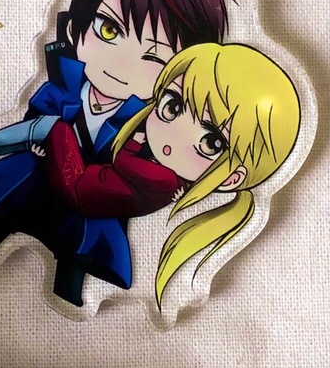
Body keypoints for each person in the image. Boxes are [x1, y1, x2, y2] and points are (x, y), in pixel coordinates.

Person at [0, 0, 231, 305]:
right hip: (40, 177)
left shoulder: (151, 124)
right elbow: (41, 108)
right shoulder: (66, 85)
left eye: (154, 58)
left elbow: (148, 167)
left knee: (79, 250)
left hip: (93, 199)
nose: (120, 62)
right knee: (6, 200)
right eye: (109, 30)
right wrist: (39, 135)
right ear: (75, 30)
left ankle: (69, 293)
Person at [40, 41, 302, 309]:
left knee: (56, 131)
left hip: (80, 190)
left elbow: (124, 163)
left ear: (231, 178)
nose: (175, 134)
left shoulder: (164, 179)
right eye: (172, 106)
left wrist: (132, 145)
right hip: (90, 199)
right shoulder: (169, 180)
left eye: (211, 142)